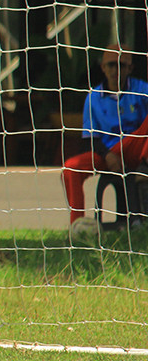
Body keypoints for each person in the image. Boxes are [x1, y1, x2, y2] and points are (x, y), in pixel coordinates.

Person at [62, 44, 148, 225]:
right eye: (111, 65)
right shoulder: (93, 97)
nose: (116, 70)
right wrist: (108, 155)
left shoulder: (142, 90)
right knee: (71, 168)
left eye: (121, 65)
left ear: (130, 68)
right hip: (107, 151)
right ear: (103, 67)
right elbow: (89, 139)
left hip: (136, 148)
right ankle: (77, 225)